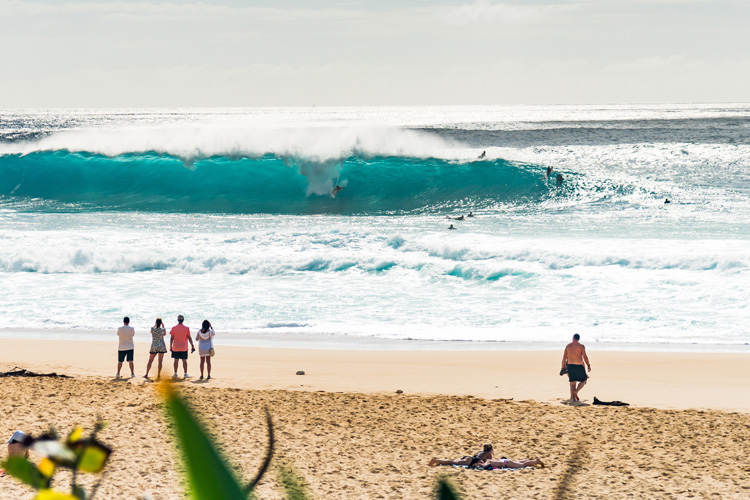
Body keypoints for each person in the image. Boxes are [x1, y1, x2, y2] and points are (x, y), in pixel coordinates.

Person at [562, 333, 591, 402]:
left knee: (572, 382)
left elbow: (564, 358)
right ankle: (576, 391)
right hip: (579, 366)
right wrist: (588, 365)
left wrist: (563, 367)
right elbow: (584, 356)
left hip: (570, 366)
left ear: (573, 338)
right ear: (578, 339)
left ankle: (573, 399)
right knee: (584, 380)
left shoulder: (568, 346)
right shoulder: (581, 346)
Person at [170, 315, 195, 380]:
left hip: (175, 347)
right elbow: (189, 337)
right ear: (183, 320)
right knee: (184, 360)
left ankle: (175, 373)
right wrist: (192, 345)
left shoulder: (174, 328)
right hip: (184, 347)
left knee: (176, 360)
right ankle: (185, 373)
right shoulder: (186, 328)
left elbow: (171, 338)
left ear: (177, 320)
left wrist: (170, 346)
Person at [428, 444, 493, 467]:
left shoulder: (480, 451)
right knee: (452, 462)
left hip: (469, 458)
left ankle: (439, 463)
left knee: (452, 461)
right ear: (491, 449)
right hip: (470, 461)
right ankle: (437, 460)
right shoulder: (488, 453)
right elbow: (489, 461)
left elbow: (475, 456)